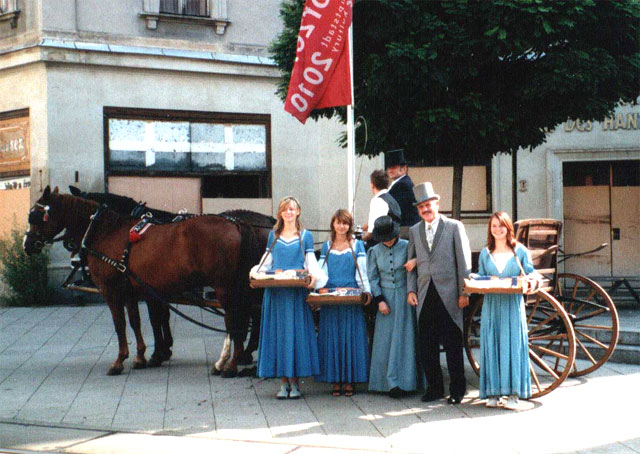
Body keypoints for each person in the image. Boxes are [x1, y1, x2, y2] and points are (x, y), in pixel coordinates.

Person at [253, 196, 327, 400]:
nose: (289, 212)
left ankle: (295, 382)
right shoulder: (274, 235)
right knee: (279, 334)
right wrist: (258, 273)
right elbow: (266, 262)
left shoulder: (305, 236)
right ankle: (282, 382)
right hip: (276, 294)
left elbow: (310, 262)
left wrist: (313, 277)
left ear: (298, 211)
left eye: (292, 209)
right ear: (280, 213)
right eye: (285, 209)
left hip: (295, 294)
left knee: (295, 335)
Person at [407, 182, 471, 405]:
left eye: (428, 204)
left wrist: (465, 293)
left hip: (450, 294)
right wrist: (411, 290)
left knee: (453, 344)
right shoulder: (415, 231)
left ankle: (457, 390)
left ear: (437, 203)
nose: (425, 209)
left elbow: (464, 263)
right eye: (421, 207)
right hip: (425, 295)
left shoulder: (454, 227)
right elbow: (410, 264)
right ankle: (434, 388)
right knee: (427, 345)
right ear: (417, 210)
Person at [476, 211, 539, 410]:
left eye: (501, 225)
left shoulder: (519, 251)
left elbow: (531, 273)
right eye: (494, 226)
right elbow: (481, 276)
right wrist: (475, 278)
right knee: (491, 344)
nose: (497, 230)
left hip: (512, 304)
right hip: (492, 305)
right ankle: (493, 393)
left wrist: (531, 280)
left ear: (508, 228)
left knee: (513, 346)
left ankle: (513, 395)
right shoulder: (486, 252)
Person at [315, 209, 371, 397]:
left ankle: (349, 381)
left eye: (345, 223)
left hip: (351, 297)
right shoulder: (327, 246)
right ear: (333, 224)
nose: (341, 226)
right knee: (333, 337)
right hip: (331, 297)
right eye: (338, 222)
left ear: (349, 225)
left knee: (350, 338)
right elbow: (321, 271)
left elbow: (362, 271)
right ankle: (335, 380)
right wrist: (318, 289)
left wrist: (366, 291)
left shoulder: (357, 245)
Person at [367, 215, 421, 398]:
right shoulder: (374, 251)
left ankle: (407, 382)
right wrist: (380, 300)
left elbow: (416, 271)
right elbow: (373, 278)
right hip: (386, 299)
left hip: (405, 297)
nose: (388, 242)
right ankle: (385, 383)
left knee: (405, 340)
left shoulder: (407, 246)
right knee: (386, 341)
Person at [362, 169, 401, 246]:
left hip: (381, 245)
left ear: (372, 184)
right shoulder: (391, 199)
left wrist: (359, 239)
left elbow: (372, 232)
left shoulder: (377, 201)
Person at [385, 149, 420, 235]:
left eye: (393, 167)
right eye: (388, 167)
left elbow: (395, 210)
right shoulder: (400, 183)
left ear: (404, 169)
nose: (390, 170)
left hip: (405, 230)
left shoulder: (402, 185)